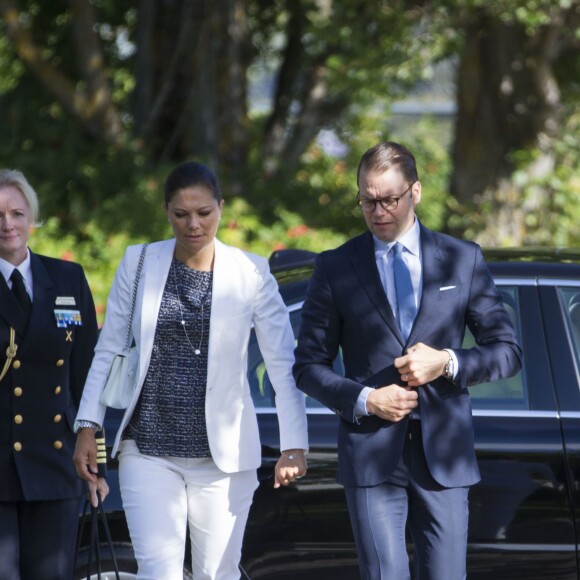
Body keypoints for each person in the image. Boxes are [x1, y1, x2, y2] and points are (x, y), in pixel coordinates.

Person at [293, 142, 522, 580]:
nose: (378, 211)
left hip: (445, 457)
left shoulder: (462, 258)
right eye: (367, 200)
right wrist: (365, 398)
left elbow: (508, 352)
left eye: (389, 200)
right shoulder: (336, 267)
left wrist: (447, 362)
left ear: (415, 192)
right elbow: (308, 366)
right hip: (371, 454)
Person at [73, 160, 308, 579]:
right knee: (157, 572)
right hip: (148, 451)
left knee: (216, 574)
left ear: (221, 207)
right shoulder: (139, 261)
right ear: (166, 211)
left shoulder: (251, 271)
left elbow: (281, 364)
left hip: (223, 460)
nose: (193, 225)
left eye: (204, 213)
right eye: (181, 214)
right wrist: (87, 425)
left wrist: (295, 443)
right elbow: (108, 347)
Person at [0, 169, 107, 580]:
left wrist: (97, 465)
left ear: (32, 220)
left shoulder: (67, 278)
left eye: (17, 213)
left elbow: (88, 375)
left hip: (56, 463)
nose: (7, 224)